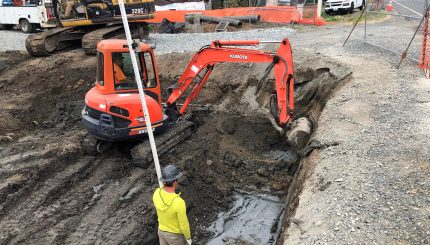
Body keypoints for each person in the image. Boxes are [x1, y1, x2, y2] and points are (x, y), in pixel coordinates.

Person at [153, 165, 192, 245]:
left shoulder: (156, 193)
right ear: (175, 182)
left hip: (161, 232)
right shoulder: (178, 202)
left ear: (164, 181)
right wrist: (188, 237)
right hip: (175, 237)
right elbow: (184, 225)